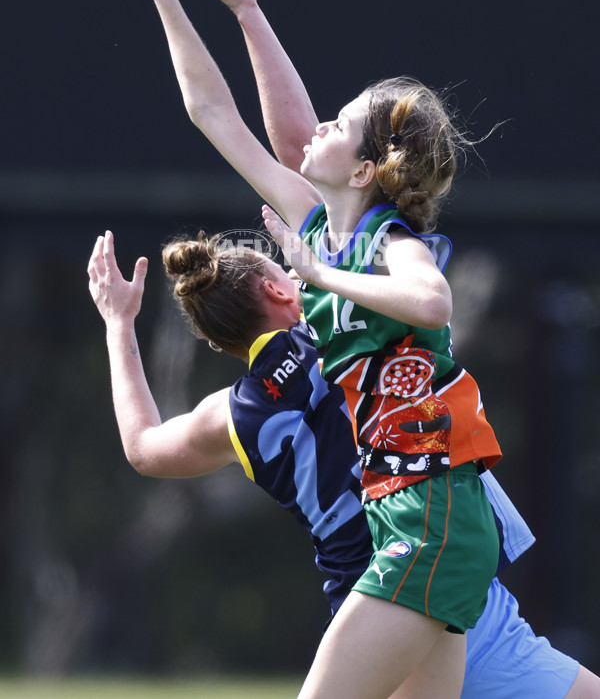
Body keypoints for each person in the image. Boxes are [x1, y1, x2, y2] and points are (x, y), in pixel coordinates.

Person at [114, 0, 597, 698]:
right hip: (418, 521)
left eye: (342, 122)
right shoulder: (328, 229)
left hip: (429, 518)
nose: (321, 126)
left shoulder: (379, 246)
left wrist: (321, 273)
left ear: (366, 170)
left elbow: (434, 301)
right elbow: (216, 115)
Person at [88, 229, 597, 699]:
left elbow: (143, 447)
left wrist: (118, 323)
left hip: (376, 609)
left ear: (220, 343)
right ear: (280, 292)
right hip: (431, 579)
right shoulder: (347, 328)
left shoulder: (230, 416)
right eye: (285, 272)